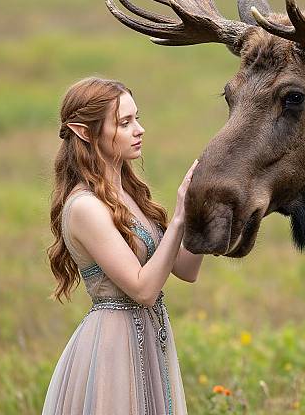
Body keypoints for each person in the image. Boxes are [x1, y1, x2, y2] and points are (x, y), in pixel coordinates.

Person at [43, 77, 202, 414]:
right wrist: (177, 220)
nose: (139, 129)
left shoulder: (129, 194)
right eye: (125, 122)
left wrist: (202, 210)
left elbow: (186, 269)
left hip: (149, 337)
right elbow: (143, 290)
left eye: (137, 118)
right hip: (112, 352)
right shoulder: (85, 207)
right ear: (85, 132)